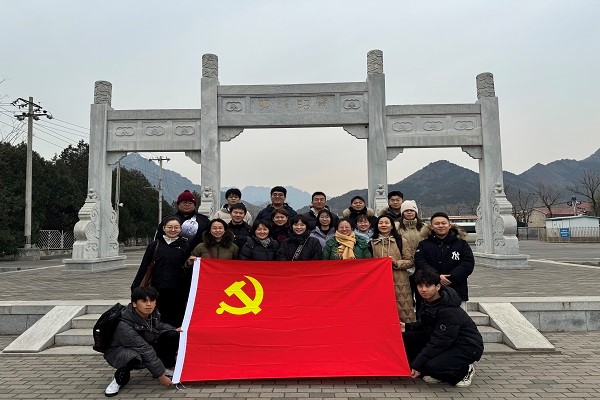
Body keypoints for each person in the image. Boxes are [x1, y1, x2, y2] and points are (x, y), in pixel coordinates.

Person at [401, 268, 483, 388]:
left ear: (438, 287)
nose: (423, 289)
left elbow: (439, 342)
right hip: (448, 342)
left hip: (467, 346)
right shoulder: (428, 301)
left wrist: (417, 365)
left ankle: (465, 370)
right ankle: (438, 370)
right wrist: (408, 327)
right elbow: (425, 324)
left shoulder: (449, 311)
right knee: (407, 337)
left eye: (428, 286)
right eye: (420, 286)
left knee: (432, 366)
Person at [103, 286, 181, 397]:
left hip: (142, 345)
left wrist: (174, 329)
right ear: (134, 304)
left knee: (171, 335)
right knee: (131, 356)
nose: (149, 304)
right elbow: (144, 349)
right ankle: (118, 380)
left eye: (152, 301)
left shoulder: (153, 314)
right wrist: (160, 376)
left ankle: (166, 367)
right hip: (118, 351)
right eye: (144, 301)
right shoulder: (124, 325)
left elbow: (158, 326)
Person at [131, 216, 190, 327]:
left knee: (175, 321)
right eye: (170, 227)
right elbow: (144, 267)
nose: (173, 230)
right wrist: (135, 286)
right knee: (156, 320)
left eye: (176, 227)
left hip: (177, 291)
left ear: (181, 229)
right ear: (164, 228)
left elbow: (187, 267)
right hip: (156, 289)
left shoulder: (185, 245)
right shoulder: (155, 245)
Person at [414, 212, 475, 302]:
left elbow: (468, 263)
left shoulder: (461, 243)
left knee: (457, 311)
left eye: (443, 223)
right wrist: (437, 277)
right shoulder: (423, 244)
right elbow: (420, 262)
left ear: (449, 225)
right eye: (437, 223)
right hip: (431, 290)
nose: (440, 226)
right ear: (431, 226)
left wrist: (451, 277)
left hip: (457, 289)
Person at [369, 215, 415, 323]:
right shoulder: (371, 243)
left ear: (392, 226)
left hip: (400, 281)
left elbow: (410, 261)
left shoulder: (401, 241)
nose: (383, 225)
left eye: (387, 222)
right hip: (380, 281)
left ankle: (407, 332)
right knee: (383, 311)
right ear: (377, 225)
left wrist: (397, 263)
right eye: (381, 223)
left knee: (404, 310)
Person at [397, 200, 430, 308]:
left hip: (422, 265)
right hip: (405, 265)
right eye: (406, 210)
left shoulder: (424, 227)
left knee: (422, 293)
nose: (409, 212)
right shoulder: (397, 227)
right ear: (402, 213)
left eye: (412, 210)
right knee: (407, 294)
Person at [156, 189, 209, 254]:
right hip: (171, 255)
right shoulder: (168, 219)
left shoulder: (204, 220)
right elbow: (159, 237)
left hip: (197, 256)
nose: (187, 204)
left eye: (190, 203)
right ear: (178, 204)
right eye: (184, 202)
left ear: (194, 205)